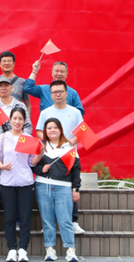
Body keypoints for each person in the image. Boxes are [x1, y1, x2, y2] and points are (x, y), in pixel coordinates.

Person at [0, 77, 33, 234]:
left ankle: (17, 222)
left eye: (6, 86)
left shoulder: (20, 106)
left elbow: (28, 126)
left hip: (17, 154)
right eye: (0, 86)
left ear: (12, 88)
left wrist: (20, 140)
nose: (3, 88)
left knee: (16, 189)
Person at [35, 80, 85, 236]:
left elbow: (82, 131)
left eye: (60, 91)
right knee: (49, 188)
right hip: (50, 154)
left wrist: (70, 143)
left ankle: (73, 221)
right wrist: (49, 142)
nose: (57, 94)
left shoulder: (75, 112)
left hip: (68, 154)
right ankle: (48, 224)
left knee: (69, 186)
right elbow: (39, 131)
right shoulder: (45, 112)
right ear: (51, 94)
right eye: (54, 92)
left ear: (66, 93)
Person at [0, 107, 39, 262]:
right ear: (10, 120)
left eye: (20, 119)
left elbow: (31, 162)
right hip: (7, 182)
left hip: (26, 182)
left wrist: (40, 153)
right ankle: (12, 249)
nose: (17, 121)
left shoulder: (28, 138)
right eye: (15, 118)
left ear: (24, 121)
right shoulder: (3, 138)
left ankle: (23, 249)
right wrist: (1, 165)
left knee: (25, 218)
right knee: (9, 217)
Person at [33, 118, 81, 262]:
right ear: (45, 131)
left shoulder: (69, 148)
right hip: (43, 186)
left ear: (60, 129)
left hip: (64, 188)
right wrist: (41, 169)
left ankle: (70, 250)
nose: (52, 130)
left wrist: (76, 189)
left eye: (55, 127)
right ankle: (50, 249)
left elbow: (76, 170)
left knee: (65, 220)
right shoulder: (40, 147)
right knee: (47, 221)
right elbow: (31, 165)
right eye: (49, 128)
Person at [0, 31, 31, 113]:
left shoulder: (22, 82)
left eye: (9, 61)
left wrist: (25, 120)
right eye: (4, 61)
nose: (7, 63)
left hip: (15, 120)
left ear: (14, 64)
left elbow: (28, 105)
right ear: (0, 64)